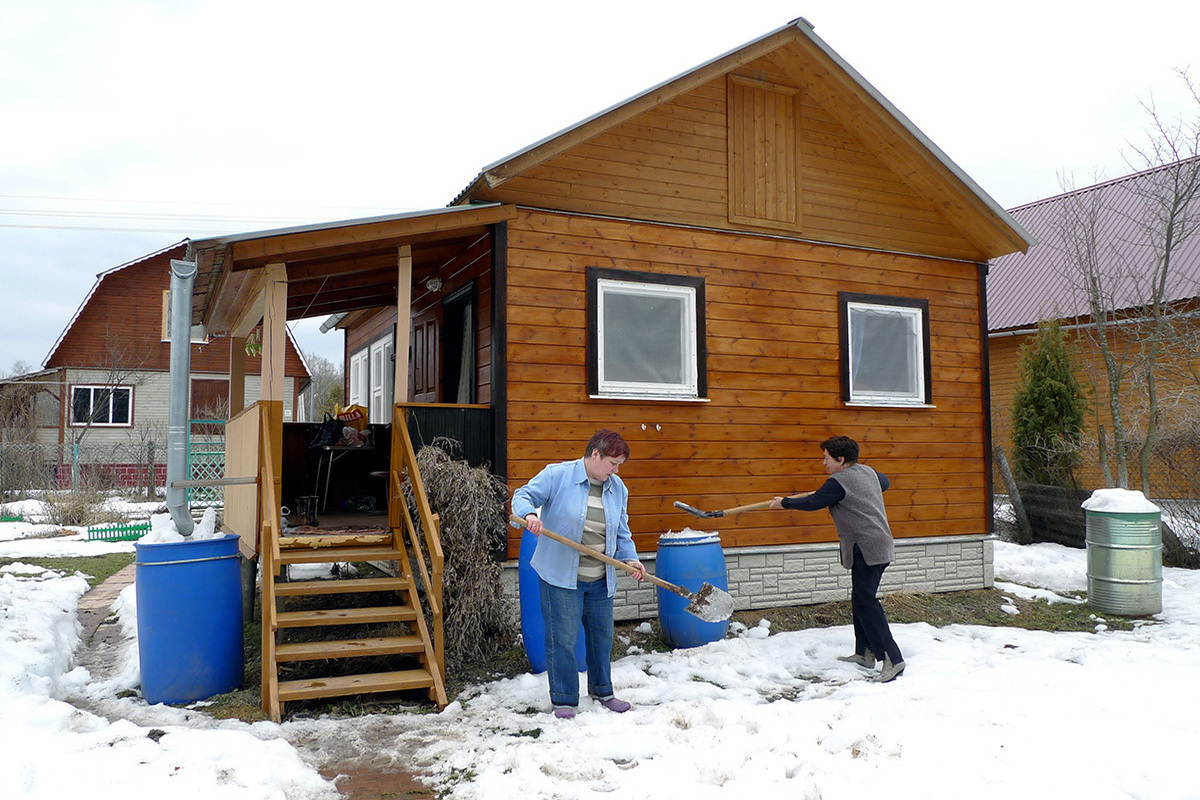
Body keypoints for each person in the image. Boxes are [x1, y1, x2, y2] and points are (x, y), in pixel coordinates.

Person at [512, 428, 647, 719]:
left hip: (600, 578)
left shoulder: (617, 488)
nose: (615, 470)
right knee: (563, 638)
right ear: (594, 454)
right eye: (612, 463)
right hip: (562, 577)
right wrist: (530, 515)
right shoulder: (558, 476)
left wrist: (631, 559)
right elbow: (522, 496)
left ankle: (602, 691)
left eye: (619, 465)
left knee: (602, 638)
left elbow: (622, 531)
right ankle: (564, 700)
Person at [769, 435, 906, 682]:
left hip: (869, 548)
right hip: (873, 544)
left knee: (866, 600)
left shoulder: (838, 482)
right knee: (859, 598)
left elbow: (813, 502)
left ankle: (893, 659)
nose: (823, 463)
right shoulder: (868, 472)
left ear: (841, 460)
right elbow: (883, 482)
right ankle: (864, 652)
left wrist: (785, 503)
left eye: (826, 458)